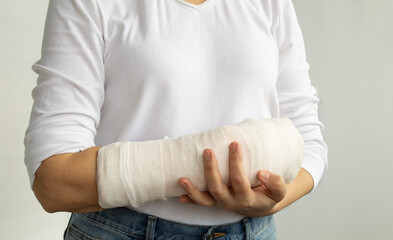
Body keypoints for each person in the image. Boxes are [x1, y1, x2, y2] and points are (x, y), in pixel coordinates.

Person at [24, 0, 328, 239]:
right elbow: (53, 183)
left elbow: (308, 142)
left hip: (255, 231)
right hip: (120, 231)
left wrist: (273, 199)